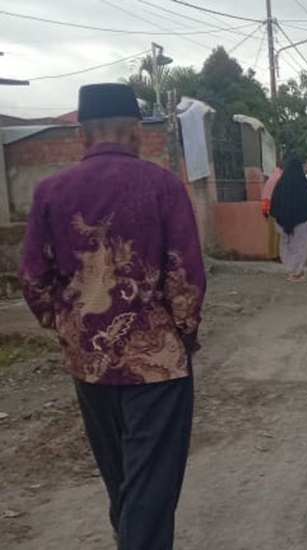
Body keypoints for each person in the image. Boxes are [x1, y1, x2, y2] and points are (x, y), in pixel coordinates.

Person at [19, 83, 206, 550]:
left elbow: (34, 278)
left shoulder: (50, 192)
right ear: (136, 133)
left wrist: (67, 326)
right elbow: (186, 274)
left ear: (82, 135)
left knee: (119, 472)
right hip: (157, 362)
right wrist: (183, 333)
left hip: (90, 360)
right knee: (151, 479)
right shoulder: (162, 185)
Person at [270, 159, 307, 282]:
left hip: (282, 221)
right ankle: (297, 272)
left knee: (287, 245)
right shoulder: (303, 185)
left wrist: (277, 218)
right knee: (301, 246)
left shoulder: (280, 185)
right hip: (301, 222)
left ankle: (292, 270)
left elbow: (274, 204)